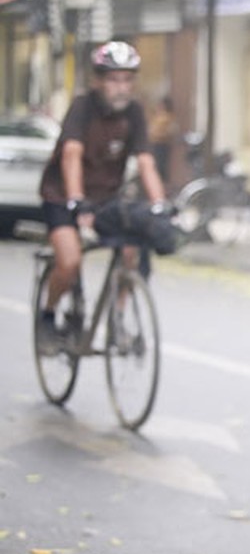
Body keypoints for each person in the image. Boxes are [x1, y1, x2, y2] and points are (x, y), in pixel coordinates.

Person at [37, 40, 169, 351]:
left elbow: (146, 162)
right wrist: (76, 199)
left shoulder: (134, 113)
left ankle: (117, 319)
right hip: (62, 195)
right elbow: (71, 154)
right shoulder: (83, 107)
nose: (121, 87)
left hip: (106, 198)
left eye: (127, 80)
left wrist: (160, 204)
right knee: (69, 264)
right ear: (98, 81)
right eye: (113, 79)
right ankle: (49, 314)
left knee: (131, 252)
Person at [147, 95, 181, 191]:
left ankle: (163, 186)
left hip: (161, 144)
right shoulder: (159, 116)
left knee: (161, 166)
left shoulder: (166, 117)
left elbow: (168, 131)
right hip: (156, 144)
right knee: (158, 166)